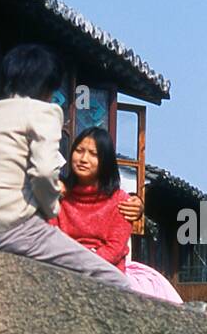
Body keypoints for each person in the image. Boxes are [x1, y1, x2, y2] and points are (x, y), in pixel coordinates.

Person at [0, 44, 139, 291]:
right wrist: (50, 207)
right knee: (116, 282)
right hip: (13, 228)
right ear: (48, 88)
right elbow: (44, 172)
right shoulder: (43, 112)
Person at [53, 126, 182, 302]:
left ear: (105, 161)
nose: (83, 159)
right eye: (79, 151)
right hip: (61, 266)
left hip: (105, 273)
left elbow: (114, 249)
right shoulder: (59, 195)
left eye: (93, 154)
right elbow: (50, 234)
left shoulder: (121, 201)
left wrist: (80, 264)